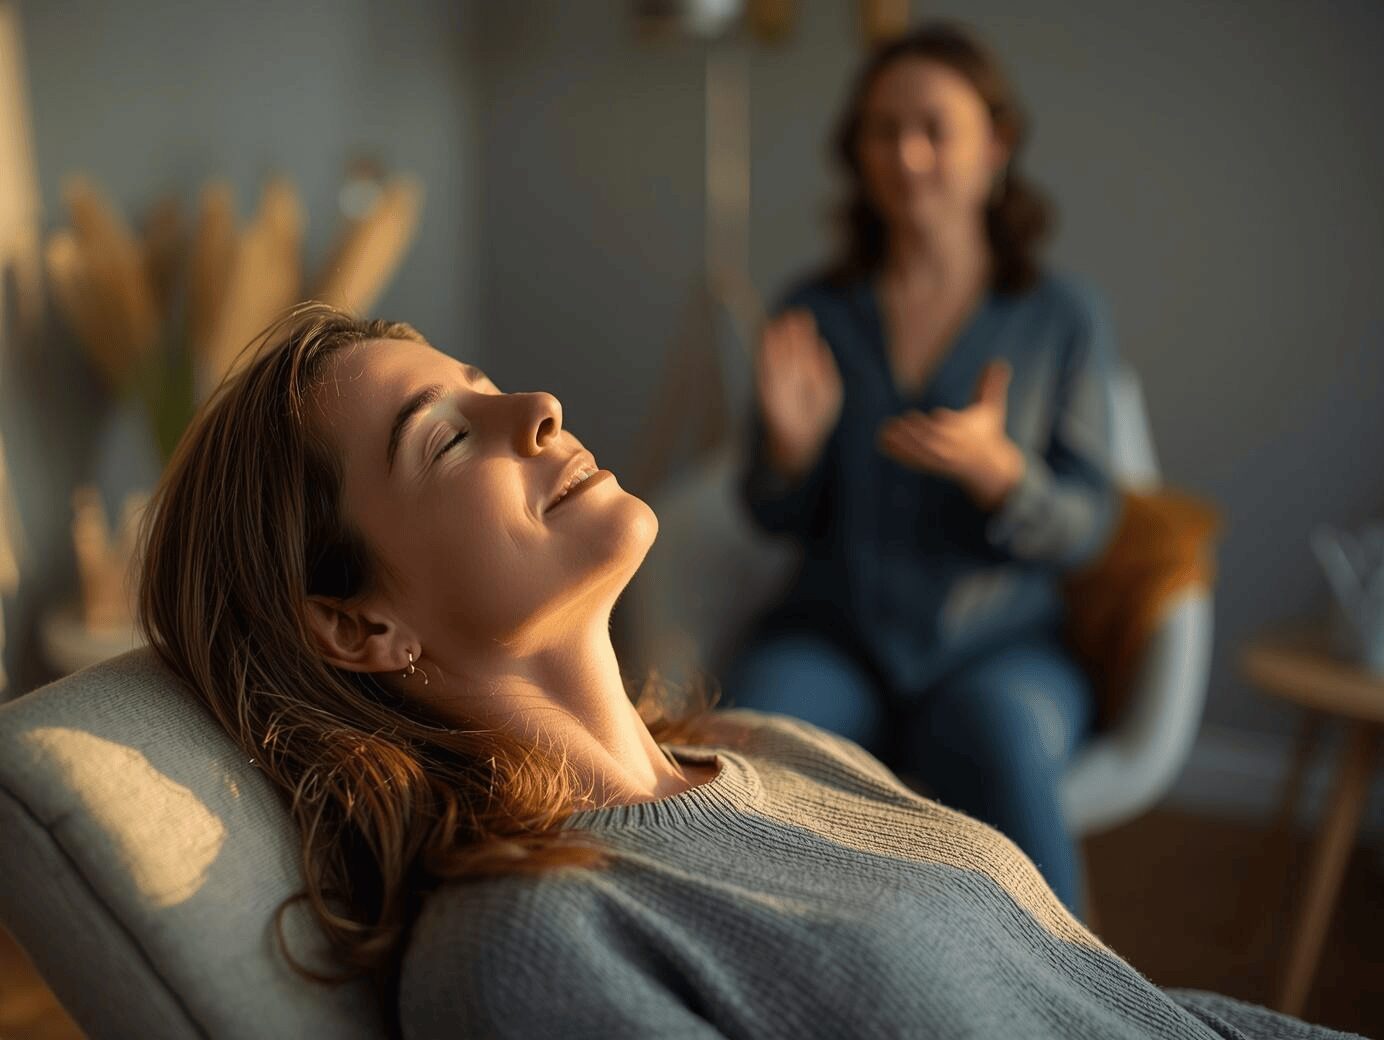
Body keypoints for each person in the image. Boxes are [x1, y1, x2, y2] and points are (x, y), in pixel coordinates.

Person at [135, 303, 1362, 1039]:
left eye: (489, 387)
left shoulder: (775, 748)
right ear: (358, 626)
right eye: (451, 436)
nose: (539, 406)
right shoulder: (528, 944)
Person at [723, 22, 1116, 916]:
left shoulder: (1061, 317)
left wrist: (1004, 476)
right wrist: (791, 454)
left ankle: (1073, 981)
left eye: (934, 128)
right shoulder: (813, 309)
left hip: (1001, 650)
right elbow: (768, 512)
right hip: (834, 638)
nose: (906, 155)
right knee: (749, 743)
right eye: (882, 130)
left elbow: (1090, 525)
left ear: (995, 146)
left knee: (1002, 737)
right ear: (856, 151)